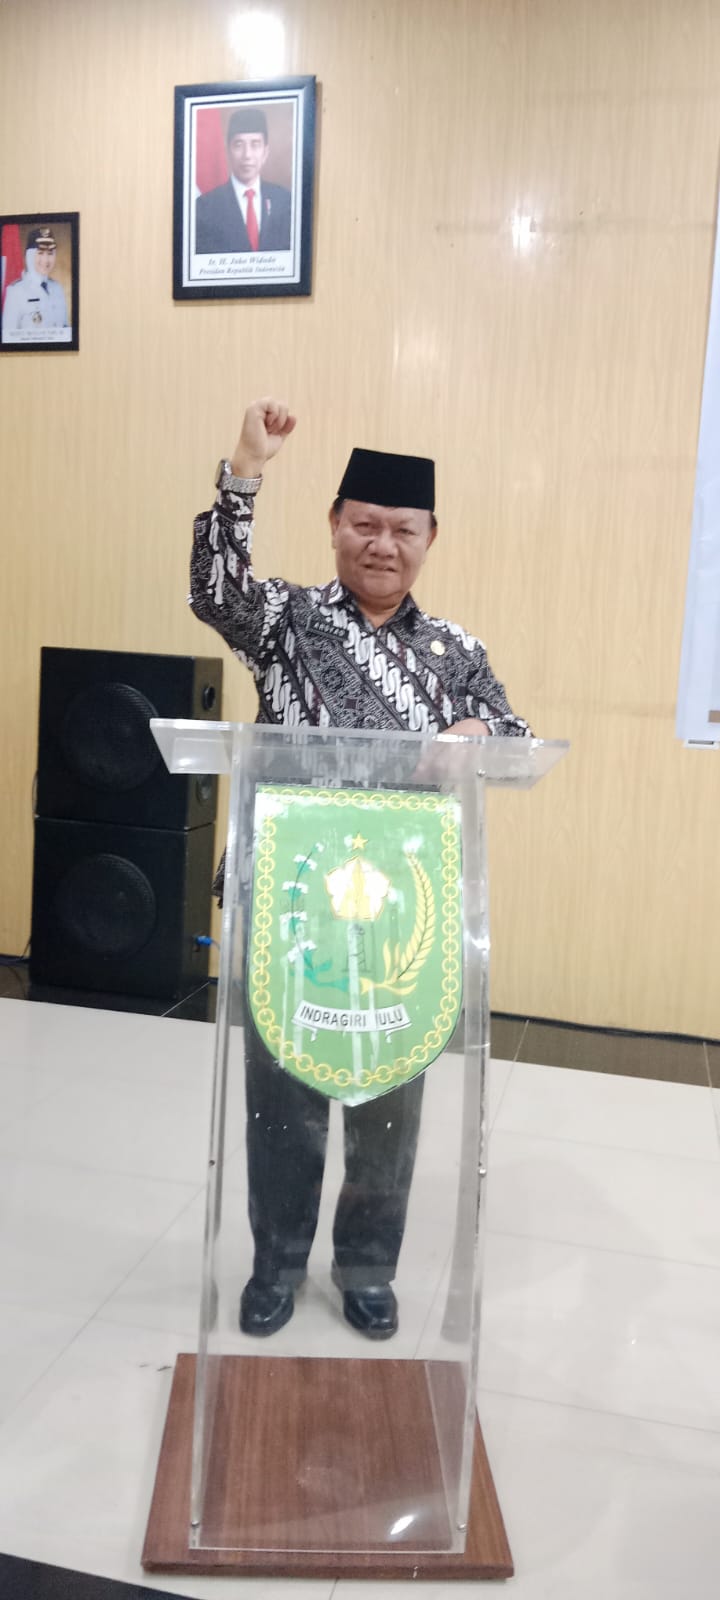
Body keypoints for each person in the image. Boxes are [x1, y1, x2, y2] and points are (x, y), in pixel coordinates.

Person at [190, 397, 530, 1340]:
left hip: (400, 919)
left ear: (430, 538)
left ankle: (368, 1268)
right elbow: (215, 592)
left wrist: (478, 726)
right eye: (365, 524)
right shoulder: (287, 621)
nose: (383, 544)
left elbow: (513, 733)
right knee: (282, 1100)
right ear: (336, 524)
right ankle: (275, 1265)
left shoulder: (456, 652)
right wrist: (244, 469)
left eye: (402, 529)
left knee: (388, 1101)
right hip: (288, 903)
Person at [195, 106, 292, 255]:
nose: (247, 155)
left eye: (255, 145)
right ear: (228, 151)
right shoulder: (205, 207)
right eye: (239, 145)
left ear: (265, 152)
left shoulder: (285, 201)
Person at [1, 226, 69, 338]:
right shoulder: (15, 291)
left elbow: (66, 332)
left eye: (50, 253)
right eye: (40, 253)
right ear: (30, 256)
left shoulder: (57, 288)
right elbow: (8, 337)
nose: (46, 260)